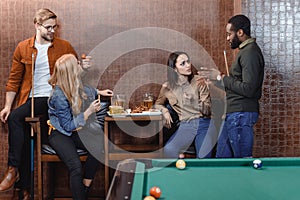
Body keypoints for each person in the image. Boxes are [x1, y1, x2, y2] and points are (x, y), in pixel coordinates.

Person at [0, 8, 89, 198]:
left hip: (55, 98)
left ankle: (13, 170)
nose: (52, 31)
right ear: (37, 25)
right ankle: (23, 188)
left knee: (18, 119)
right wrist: (8, 106)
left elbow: (75, 73)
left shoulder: (64, 46)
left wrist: (84, 69)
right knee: (19, 127)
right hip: (32, 99)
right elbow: (14, 80)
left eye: (54, 27)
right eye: (48, 27)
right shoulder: (23, 48)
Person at [47, 54, 113, 199]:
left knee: (98, 145)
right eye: (77, 64)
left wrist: (99, 92)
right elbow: (68, 126)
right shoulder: (59, 95)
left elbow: (85, 90)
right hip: (60, 133)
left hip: (73, 131)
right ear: (71, 71)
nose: (80, 66)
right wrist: (88, 112)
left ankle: (84, 187)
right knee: (75, 166)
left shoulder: (74, 84)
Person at [216, 14, 265, 158]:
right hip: (235, 113)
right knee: (222, 160)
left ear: (240, 32)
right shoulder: (245, 52)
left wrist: (223, 78)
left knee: (241, 162)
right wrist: (215, 80)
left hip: (241, 114)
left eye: (229, 34)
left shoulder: (250, 53)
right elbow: (237, 86)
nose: (227, 38)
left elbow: (248, 89)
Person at [155, 51, 214, 158]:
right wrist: (165, 111)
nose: (188, 65)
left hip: (203, 123)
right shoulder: (167, 87)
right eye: (183, 63)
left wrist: (194, 101)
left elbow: (208, 110)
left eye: (188, 62)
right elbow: (158, 104)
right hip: (186, 125)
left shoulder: (199, 81)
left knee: (204, 156)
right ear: (174, 68)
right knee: (169, 150)